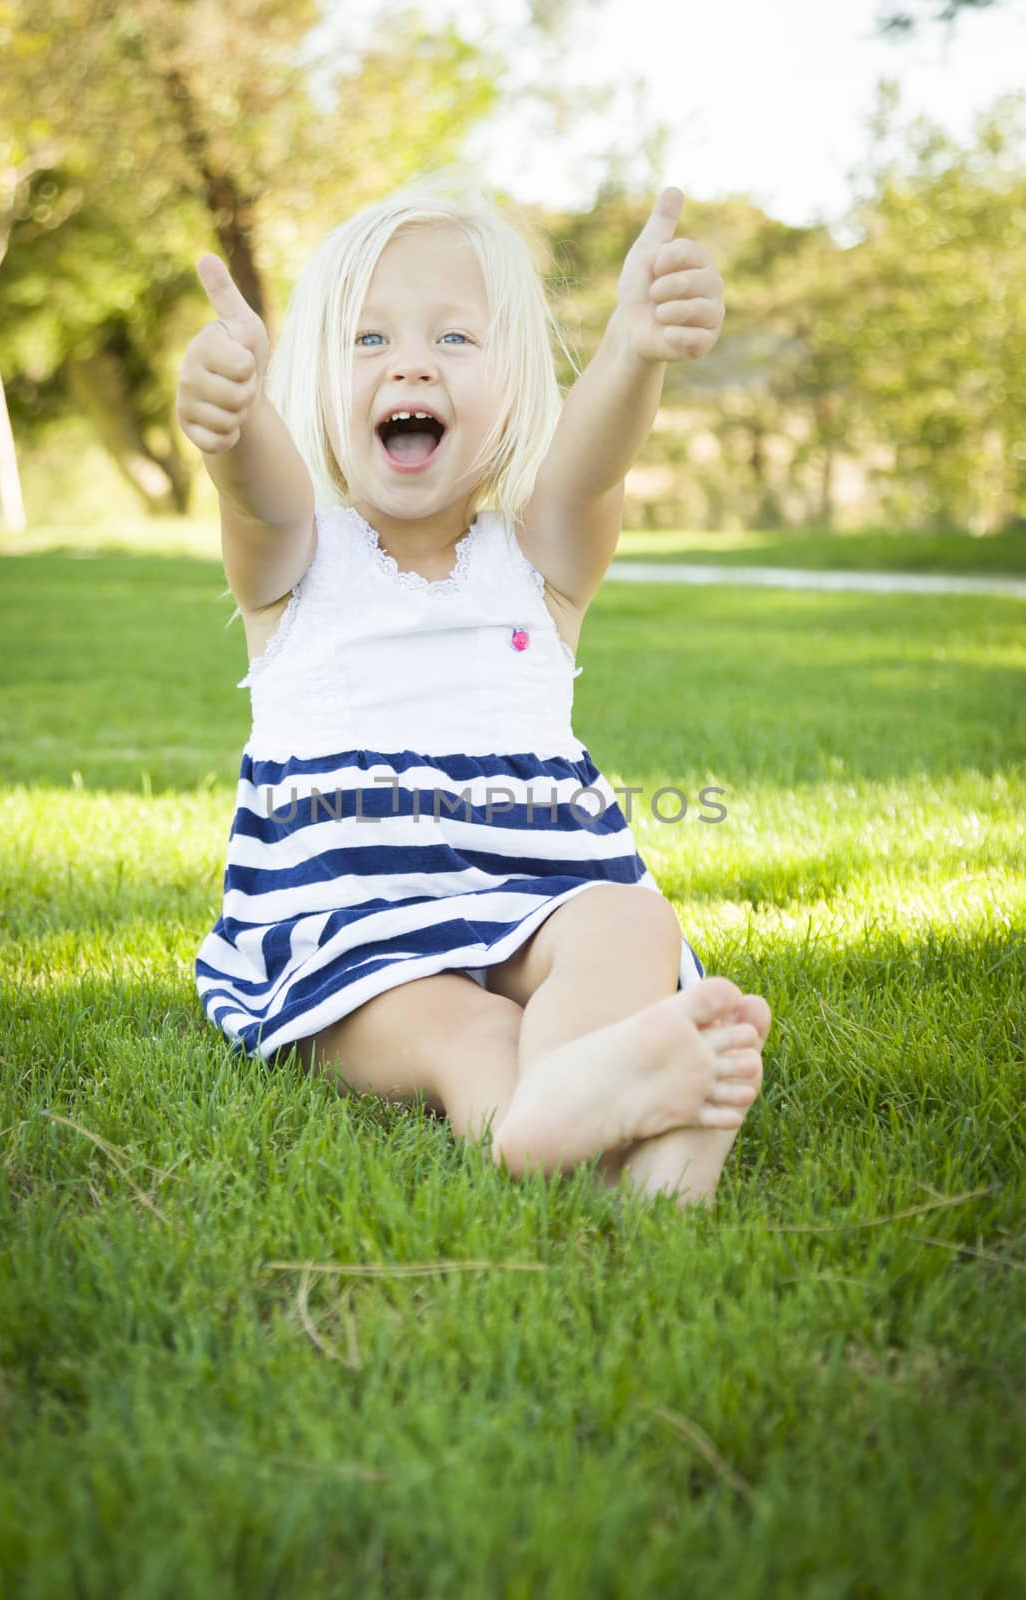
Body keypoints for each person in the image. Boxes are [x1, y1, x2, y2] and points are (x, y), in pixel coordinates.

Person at [177, 167, 771, 1205]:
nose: (410, 362)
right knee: (468, 1028)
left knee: (632, 923)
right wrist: (231, 423)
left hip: (532, 894)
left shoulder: (534, 565)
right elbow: (263, 497)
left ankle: (649, 1151)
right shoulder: (298, 567)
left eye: (453, 339)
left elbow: (587, 469)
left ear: (512, 385)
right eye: (369, 341)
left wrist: (633, 346)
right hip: (352, 929)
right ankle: (539, 1118)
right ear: (317, 384)